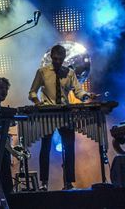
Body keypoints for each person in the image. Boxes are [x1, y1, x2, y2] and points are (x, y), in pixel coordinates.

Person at [28, 44, 97, 190]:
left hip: (65, 113)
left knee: (69, 147)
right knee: (45, 149)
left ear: (64, 58)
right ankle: (44, 183)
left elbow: (78, 91)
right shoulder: (42, 72)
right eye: (54, 59)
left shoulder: (70, 73)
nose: (57, 62)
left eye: (60, 59)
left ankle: (68, 182)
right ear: (51, 57)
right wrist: (37, 102)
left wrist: (86, 96)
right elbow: (32, 92)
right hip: (47, 114)